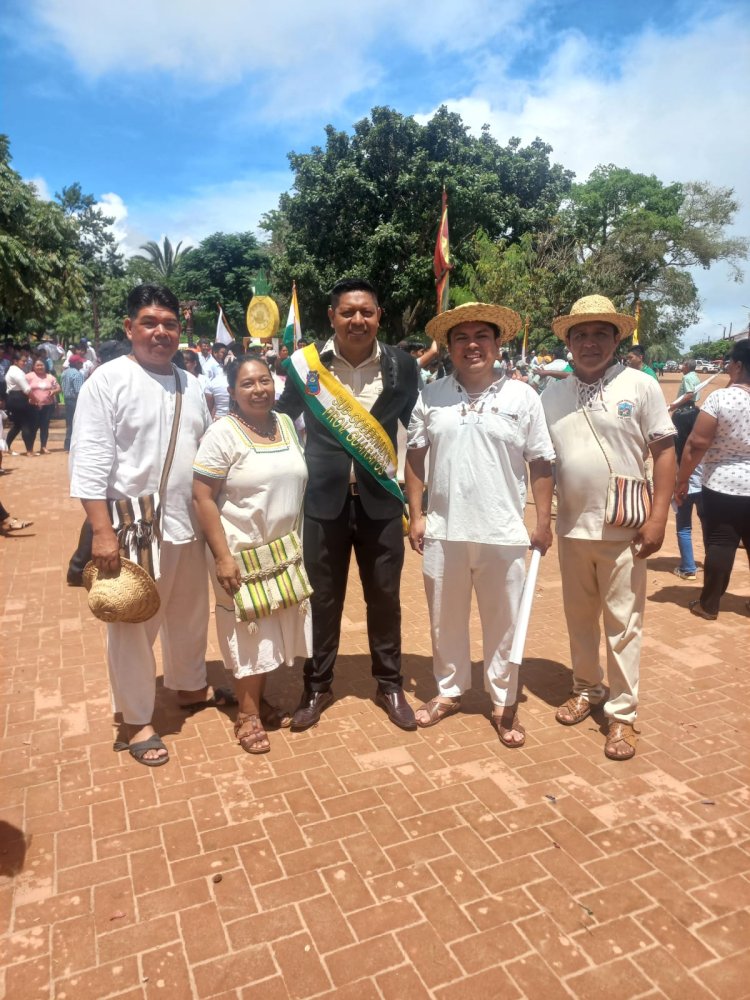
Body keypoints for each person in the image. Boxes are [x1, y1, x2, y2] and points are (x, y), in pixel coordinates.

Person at [69, 284, 220, 767]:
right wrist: (101, 530)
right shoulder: (106, 381)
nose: (160, 332)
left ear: (181, 330)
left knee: (190, 612)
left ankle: (190, 684)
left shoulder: (191, 384)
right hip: (133, 525)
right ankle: (135, 719)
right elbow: (90, 458)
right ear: (129, 327)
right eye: (150, 322)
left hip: (187, 520)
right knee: (133, 623)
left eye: (169, 324)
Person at [405, 303, 554, 745]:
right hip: (444, 532)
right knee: (443, 619)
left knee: (505, 621)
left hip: (503, 531)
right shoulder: (431, 397)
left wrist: (541, 521)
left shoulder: (523, 397)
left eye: (481, 337)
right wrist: (416, 514)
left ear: (496, 343)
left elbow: (541, 460)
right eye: (461, 338)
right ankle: (449, 690)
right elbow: (415, 455)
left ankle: (504, 701)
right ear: (449, 348)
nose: (472, 345)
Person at [277, 277, 420, 731]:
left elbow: (417, 433)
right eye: (347, 312)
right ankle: (317, 685)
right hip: (322, 503)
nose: (357, 320)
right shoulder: (306, 367)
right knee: (322, 599)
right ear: (332, 317)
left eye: (367, 312)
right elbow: (282, 421)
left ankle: (390, 683)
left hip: (380, 504)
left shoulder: (403, 365)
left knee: (385, 598)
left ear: (379, 316)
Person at [542, 295, 675, 761]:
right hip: (572, 528)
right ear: (568, 341)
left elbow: (663, 452)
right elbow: (542, 461)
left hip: (625, 530)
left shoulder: (641, 386)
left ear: (617, 339)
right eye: (580, 334)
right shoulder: (551, 394)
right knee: (579, 618)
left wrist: (659, 517)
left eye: (601, 333)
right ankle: (586, 688)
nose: (590, 342)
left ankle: (622, 715)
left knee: (623, 624)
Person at [193, 356, 310, 753]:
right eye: (247, 384)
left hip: (281, 553)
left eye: (264, 381)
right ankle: (247, 714)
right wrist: (223, 557)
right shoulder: (222, 434)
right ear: (231, 392)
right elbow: (203, 496)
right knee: (246, 629)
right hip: (238, 552)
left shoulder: (286, 425)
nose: (258, 389)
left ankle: (256, 700)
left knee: (271, 624)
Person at [675, 340, 750, 619]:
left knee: (721, 542)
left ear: (739, 366)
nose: (728, 365)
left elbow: (695, 444)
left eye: (730, 361)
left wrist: (682, 480)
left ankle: (710, 604)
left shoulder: (721, 398)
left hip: (723, 484)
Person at [670, 404, 705, 580]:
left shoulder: (673, 447)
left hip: (682, 490)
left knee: (684, 528)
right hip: (706, 489)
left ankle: (688, 568)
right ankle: (712, 562)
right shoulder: (707, 443)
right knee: (709, 527)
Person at [5, 350, 35, 456]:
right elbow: (27, 389)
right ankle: (29, 450)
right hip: (18, 399)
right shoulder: (17, 372)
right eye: (23, 361)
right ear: (15, 361)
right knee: (25, 424)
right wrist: (35, 399)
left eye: (25, 361)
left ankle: (6, 446)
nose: (25, 363)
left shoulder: (11, 370)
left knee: (17, 425)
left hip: (13, 398)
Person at [27, 358, 61, 454]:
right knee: (32, 427)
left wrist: (54, 391)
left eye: (41, 365)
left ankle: (43, 446)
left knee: (44, 427)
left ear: (45, 366)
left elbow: (58, 388)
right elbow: (24, 388)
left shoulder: (50, 377)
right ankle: (30, 448)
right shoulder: (29, 376)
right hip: (33, 406)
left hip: (47, 406)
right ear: (33, 366)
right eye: (37, 365)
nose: (40, 367)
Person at [60, 355, 86, 452]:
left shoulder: (65, 372)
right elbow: (79, 391)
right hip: (75, 400)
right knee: (77, 422)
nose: (82, 363)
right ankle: (74, 445)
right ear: (76, 363)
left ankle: (67, 444)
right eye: (80, 362)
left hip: (67, 400)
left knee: (70, 423)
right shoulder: (77, 374)